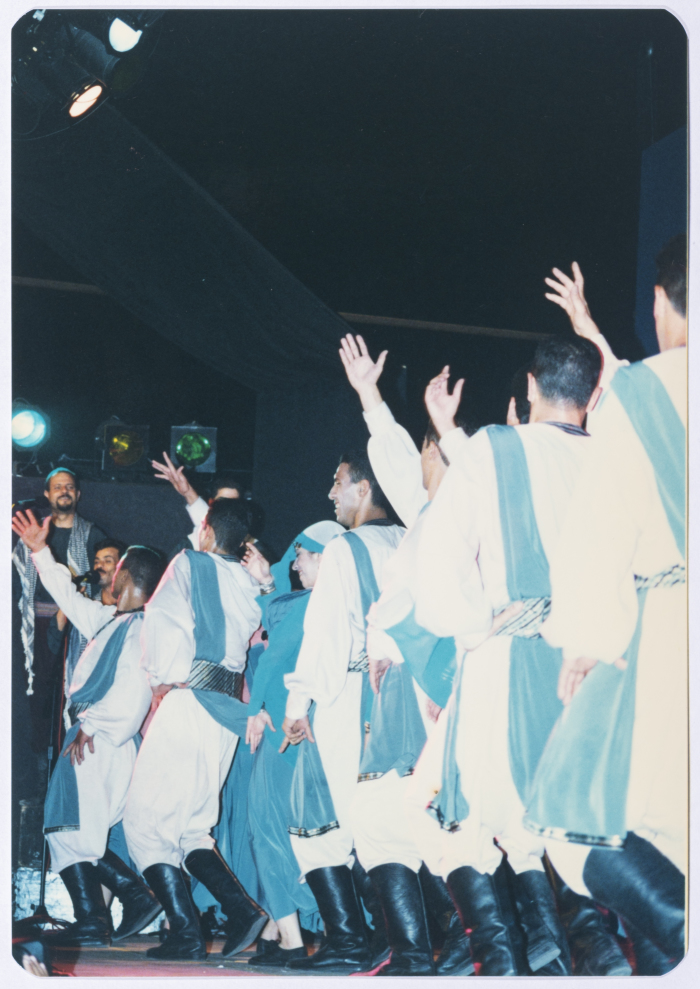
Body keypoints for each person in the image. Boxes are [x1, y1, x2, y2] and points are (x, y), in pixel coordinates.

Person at [412, 337, 603, 976]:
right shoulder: (618, 458)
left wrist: (470, 626)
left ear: (528, 388)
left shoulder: (497, 450)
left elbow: (437, 562)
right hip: (601, 669)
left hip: (513, 659)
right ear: (593, 395)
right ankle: (588, 957)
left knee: (454, 824)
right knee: (569, 831)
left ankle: (509, 965)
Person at [524, 234, 687, 972]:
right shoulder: (643, 390)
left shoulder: (644, 393)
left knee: (577, 823)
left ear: (660, 302)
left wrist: (586, 639)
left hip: (673, 638)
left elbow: (601, 532)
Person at [339, 333, 475, 976]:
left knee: (428, 821)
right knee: (388, 818)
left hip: (428, 679)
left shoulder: (461, 512)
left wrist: (421, 670)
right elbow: (393, 461)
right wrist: (369, 395)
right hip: (403, 683)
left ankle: (470, 942)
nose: (417, 461)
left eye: (427, 448)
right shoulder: (428, 511)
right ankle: (427, 950)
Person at [11, 509, 165, 949]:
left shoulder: (141, 628)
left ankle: (131, 899)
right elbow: (71, 600)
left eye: (114, 569)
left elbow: (134, 695)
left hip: (99, 740)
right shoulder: (114, 619)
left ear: (128, 575)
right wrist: (40, 551)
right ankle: (98, 917)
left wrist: (93, 727)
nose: (106, 574)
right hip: (99, 740)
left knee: (71, 831)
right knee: (73, 832)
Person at [122, 498, 268, 962]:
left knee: (143, 823)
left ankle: (187, 931)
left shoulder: (189, 562)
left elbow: (163, 620)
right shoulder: (250, 580)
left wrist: (160, 679)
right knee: (190, 829)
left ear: (205, 532)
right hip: (225, 710)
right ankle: (239, 911)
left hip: (189, 698)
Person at [280, 451, 404, 973]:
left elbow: (325, 633)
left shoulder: (345, 548)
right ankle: (401, 939)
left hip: (348, 694)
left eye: (337, 483)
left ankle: (356, 940)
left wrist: (298, 703)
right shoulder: (407, 538)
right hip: (402, 696)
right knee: (389, 818)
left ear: (364, 487)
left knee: (327, 822)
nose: (331, 494)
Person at [242, 521, 344, 967]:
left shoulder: (309, 607)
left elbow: (276, 653)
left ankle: (289, 936)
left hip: (288, 728)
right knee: (306, 831)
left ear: (323, 558)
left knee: (267, 825)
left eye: (300, 556)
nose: (295, 564)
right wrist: (268, 583)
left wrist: (255, 711)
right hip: (317, 728)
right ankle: (280, 928)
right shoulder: (333, 604)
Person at [12, 470, 107, 758]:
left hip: (77, 627)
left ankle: (67, 758)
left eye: (69, 487)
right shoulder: (31, 533)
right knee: (34, 697)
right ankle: (36, 767)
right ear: (47, 494)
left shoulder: (93, 535)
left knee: (70, 692)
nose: (63, 491)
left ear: (78, 494)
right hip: (33, 628)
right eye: (57, 487)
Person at [151, 452, 245, 551]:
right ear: (211, 503)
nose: (227, 509)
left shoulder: (249, 547)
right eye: (222, 502)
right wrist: (187, 491)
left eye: (233, 503)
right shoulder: (190, 545)